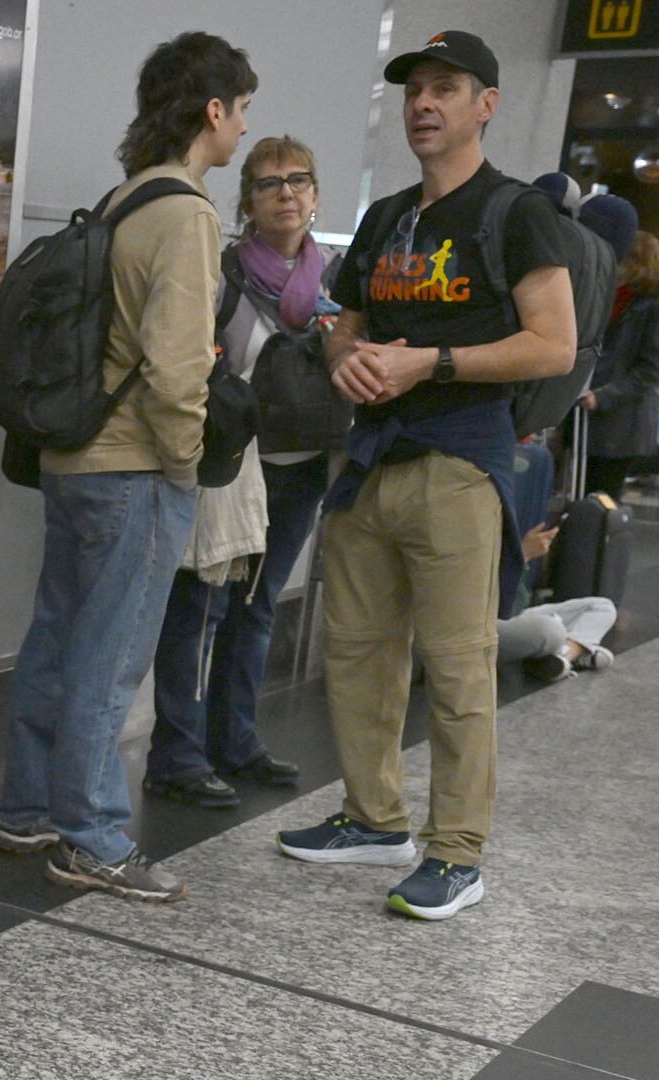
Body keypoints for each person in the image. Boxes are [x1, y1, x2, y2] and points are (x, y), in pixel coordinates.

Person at [276, 31, 578, 921]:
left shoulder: (516, 212)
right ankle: (374, 820)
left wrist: (428, 365)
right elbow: (343, 312)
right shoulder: (388, 216)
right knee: (358, 653)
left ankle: (456, 854)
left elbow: (552, 344)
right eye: (413, 90)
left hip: (459, 461)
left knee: (455, 666)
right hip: (370, 460)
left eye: (445, 88)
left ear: (486, 102)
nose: (423, 104)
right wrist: (345, 356)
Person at [0, 31, 255, 903]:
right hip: (135, 470)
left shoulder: (123, 198)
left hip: (72, 462)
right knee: (108, 663)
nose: (245, 129)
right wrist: (182, 467)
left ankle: (27, 808)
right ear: (212, 110)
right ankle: (93, 837)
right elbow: (181, 371)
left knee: (57, 640)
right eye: (241, 109)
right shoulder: (187, 212)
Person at [145, 135, 338, 809]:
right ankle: (177, 754)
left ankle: (237, 741)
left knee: (257, 611)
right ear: (248, 203)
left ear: (316, 196)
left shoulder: (332, 282)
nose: (286, 192)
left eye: (298, 180)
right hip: (229, 471)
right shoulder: (222, 276)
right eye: (269, 183)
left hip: (301, 467)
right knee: (198, 611)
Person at [581, 226, 659, 499]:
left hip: (619, 422)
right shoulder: (614, 297)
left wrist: (602, 397)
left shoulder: (648, 306)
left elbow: (651, 370)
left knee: (601, 497)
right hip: (594, 415)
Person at [501, 521, 616, 682]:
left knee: (602, 606)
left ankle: (565, 654)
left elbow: (517, 603)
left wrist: (522, 556)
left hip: (513, 612)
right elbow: (505, 605)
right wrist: (524, 554)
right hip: (483, 624)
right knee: (550, 629)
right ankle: (575, 652)